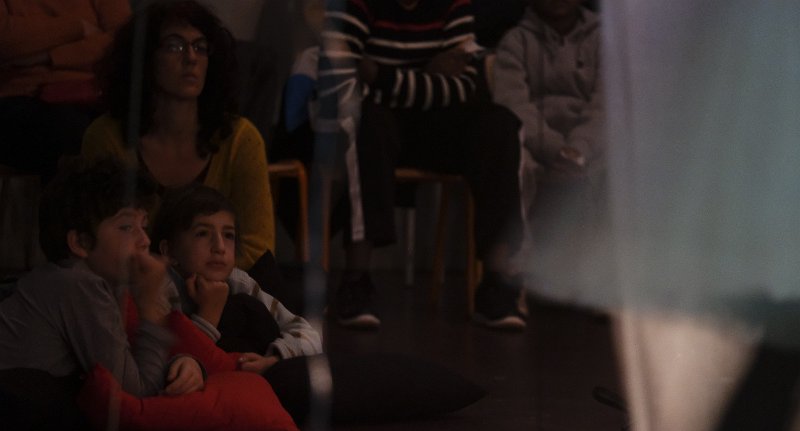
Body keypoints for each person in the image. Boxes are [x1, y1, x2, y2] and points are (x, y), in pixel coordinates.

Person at [317, 0, 526, 330]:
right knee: (366, 121)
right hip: (378, 129)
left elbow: (463, 87)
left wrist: (382, 76)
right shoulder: (358, 6)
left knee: (499, 125)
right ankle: (356, 281)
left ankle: (496, 284)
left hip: (434, 127)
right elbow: (344, 87)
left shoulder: (452, 5)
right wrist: (426, 75)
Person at [80, 0, 276, 280]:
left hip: (222, 288)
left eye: (200, 47)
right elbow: (100, 241)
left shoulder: (240, 139)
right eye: (175, 46)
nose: (191, 58)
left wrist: (195, 285)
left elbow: (258, 247)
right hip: (131, 285)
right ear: (145, 58)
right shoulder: (106, 136)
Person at [0, 159, 204, 398]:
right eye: (127, 227)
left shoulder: (96, 284)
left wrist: (182, 364)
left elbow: (130, 365)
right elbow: (133, 392)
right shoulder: (77, 284)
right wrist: (150, 308)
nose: (145, 241)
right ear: (81, 243)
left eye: (144, 226)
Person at [151, 184, 322, 371]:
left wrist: (272, 359)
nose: (220, 247)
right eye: (202, 233)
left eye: (228, 235)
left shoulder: (238, 282)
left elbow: (309, 334)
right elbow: (174, 366)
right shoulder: (159, 290)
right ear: (169, 251)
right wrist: (208, 313)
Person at [492, 0, 603, 216]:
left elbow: (606, 106)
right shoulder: (515, 41)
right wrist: (555, 151)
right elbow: (513, 105)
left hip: (591, 147)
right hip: (535, 148)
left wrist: (578, 151)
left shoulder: (604, 40)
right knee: (513, 166)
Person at [0, 0, 130, 179]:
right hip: (23, 94)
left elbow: (122, 43)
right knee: (70, 133)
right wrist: (78, 27)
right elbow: (5, 40)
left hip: (96, 92)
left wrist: (48, 57)